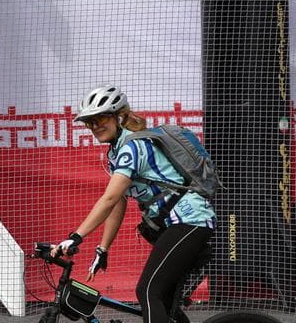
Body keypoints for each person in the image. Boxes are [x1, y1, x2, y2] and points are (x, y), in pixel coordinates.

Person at [51, 85, 216, 323]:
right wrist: (103, 248)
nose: (95, 126)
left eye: (101, 118)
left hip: (190, 220)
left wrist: (76, 236)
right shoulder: (115, 153)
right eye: (89, 122)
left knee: (148, 291)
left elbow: (108, 199)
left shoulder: (131, 147)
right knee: (166, 304)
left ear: (118, 116)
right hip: (175, 224)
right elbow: (118, 202)